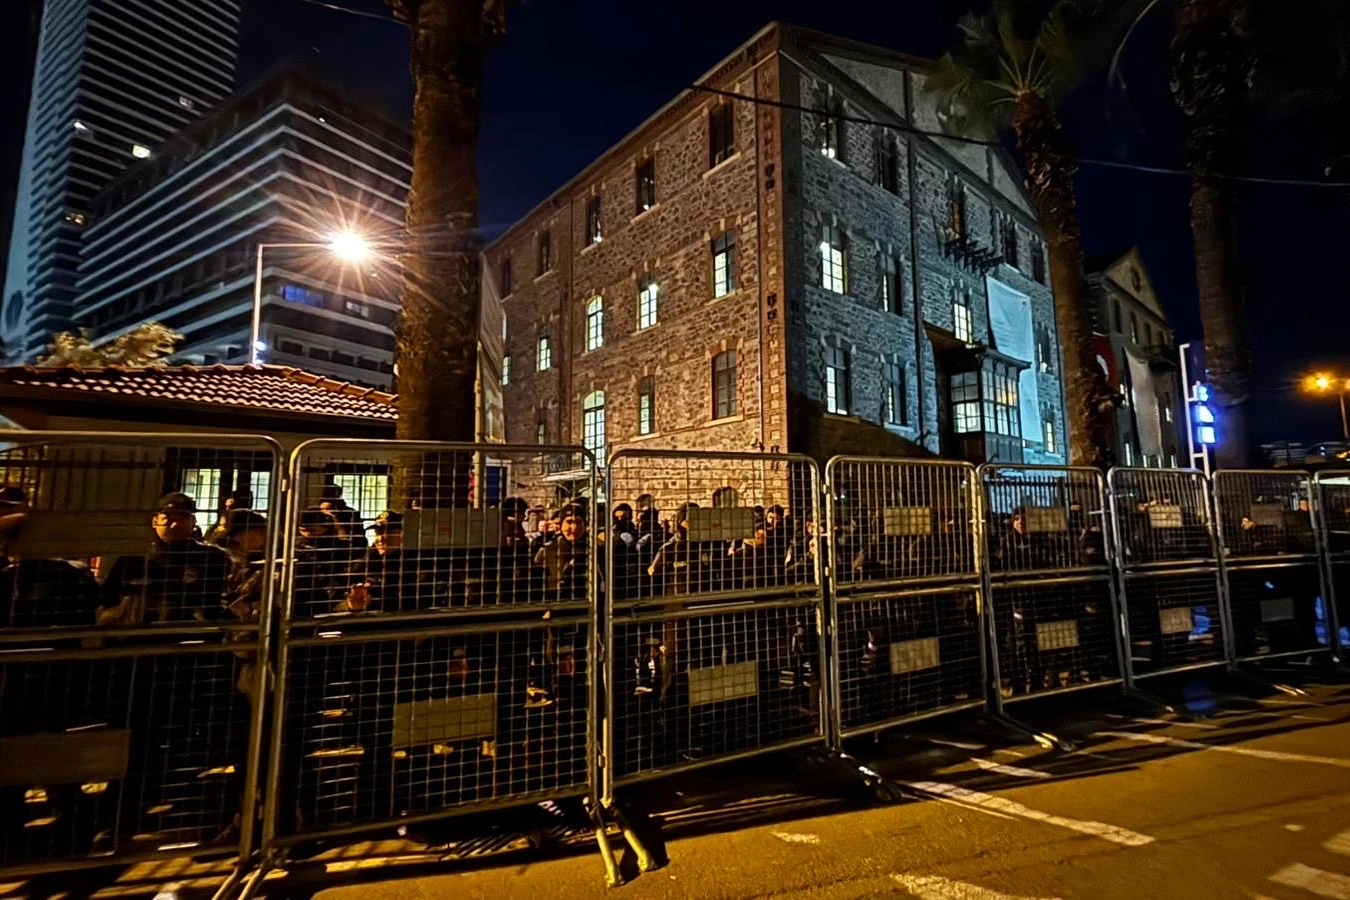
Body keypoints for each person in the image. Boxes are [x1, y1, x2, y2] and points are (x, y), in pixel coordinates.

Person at [100, 492, 232, 625]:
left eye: (182, 519)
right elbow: (107, 603)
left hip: (191, 632)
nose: (175, 525)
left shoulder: (212, 557)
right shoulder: (132, 559)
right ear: (155, 521)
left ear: (193, 522)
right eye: (167, 518)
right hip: (138, 634)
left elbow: (216, 606)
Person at [340, 510, 434, 613]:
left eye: (389, 532)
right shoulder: (366, 561)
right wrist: (352, 607)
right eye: (378, 532)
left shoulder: (419, 563)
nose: (381, 538)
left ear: (404, 534)